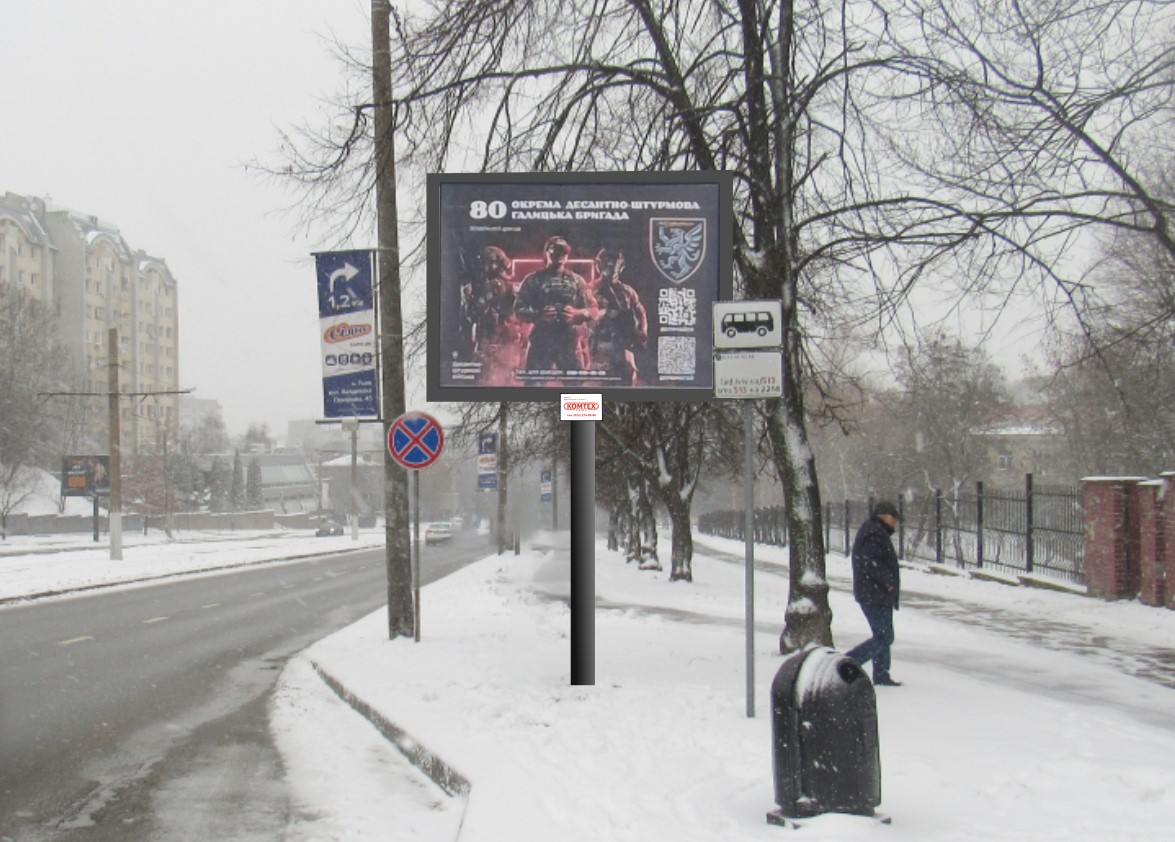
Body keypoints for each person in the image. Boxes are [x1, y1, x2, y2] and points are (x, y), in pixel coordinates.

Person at [513, 236, 597, 374]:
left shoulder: (577, 281)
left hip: (568, 340)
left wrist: (577, 313)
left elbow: (593, 310)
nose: (560, 255)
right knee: (535, 381)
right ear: (546, 252)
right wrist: (538, 315)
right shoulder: (532, 280)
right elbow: (518, 309)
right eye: (555, 250)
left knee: (575, 384)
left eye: (564, 251)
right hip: (541, 339)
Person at [845, 500, 903, 687]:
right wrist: (888, 583)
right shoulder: (874, 534)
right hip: (874, 594)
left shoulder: (874, 531)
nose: (895, 522)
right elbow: (871, 562)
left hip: (875, 594)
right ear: (884, 517)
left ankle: (881, 674)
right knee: (884, 637)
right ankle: (848, 663)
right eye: (894, 518)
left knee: (882, 636)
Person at [590, 248, 648, 386]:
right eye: (606, 261)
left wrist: (642, 330)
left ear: (621, 265)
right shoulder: (589, 289)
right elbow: (581, 315)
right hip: (600, 342)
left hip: (623, 343)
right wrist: (603, 313)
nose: (610, 265)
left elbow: (640, 312)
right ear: (598, 264)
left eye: (614, 262)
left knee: (628, 373)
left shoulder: (627, 291)